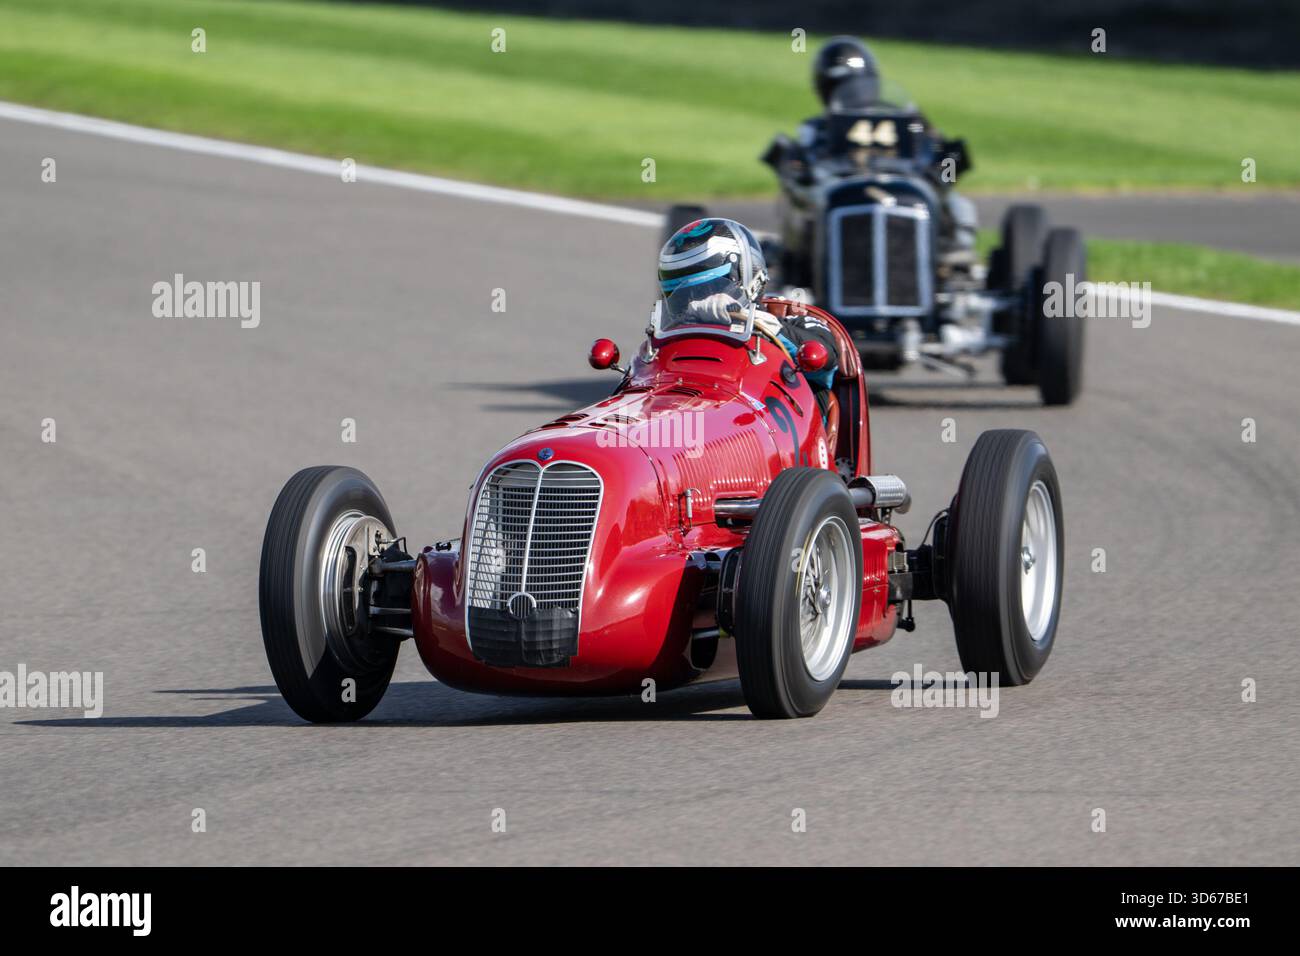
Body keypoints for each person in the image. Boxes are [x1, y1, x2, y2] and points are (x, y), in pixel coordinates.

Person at [655, 218, 838, 417]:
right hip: (688, 408)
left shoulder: (799, 323)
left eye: (706, 288)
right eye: (681, 295)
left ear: (749, 275)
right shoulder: (665, 343)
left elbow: (827, 357)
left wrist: (760, 324)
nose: (694, 302)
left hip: (767, 429)